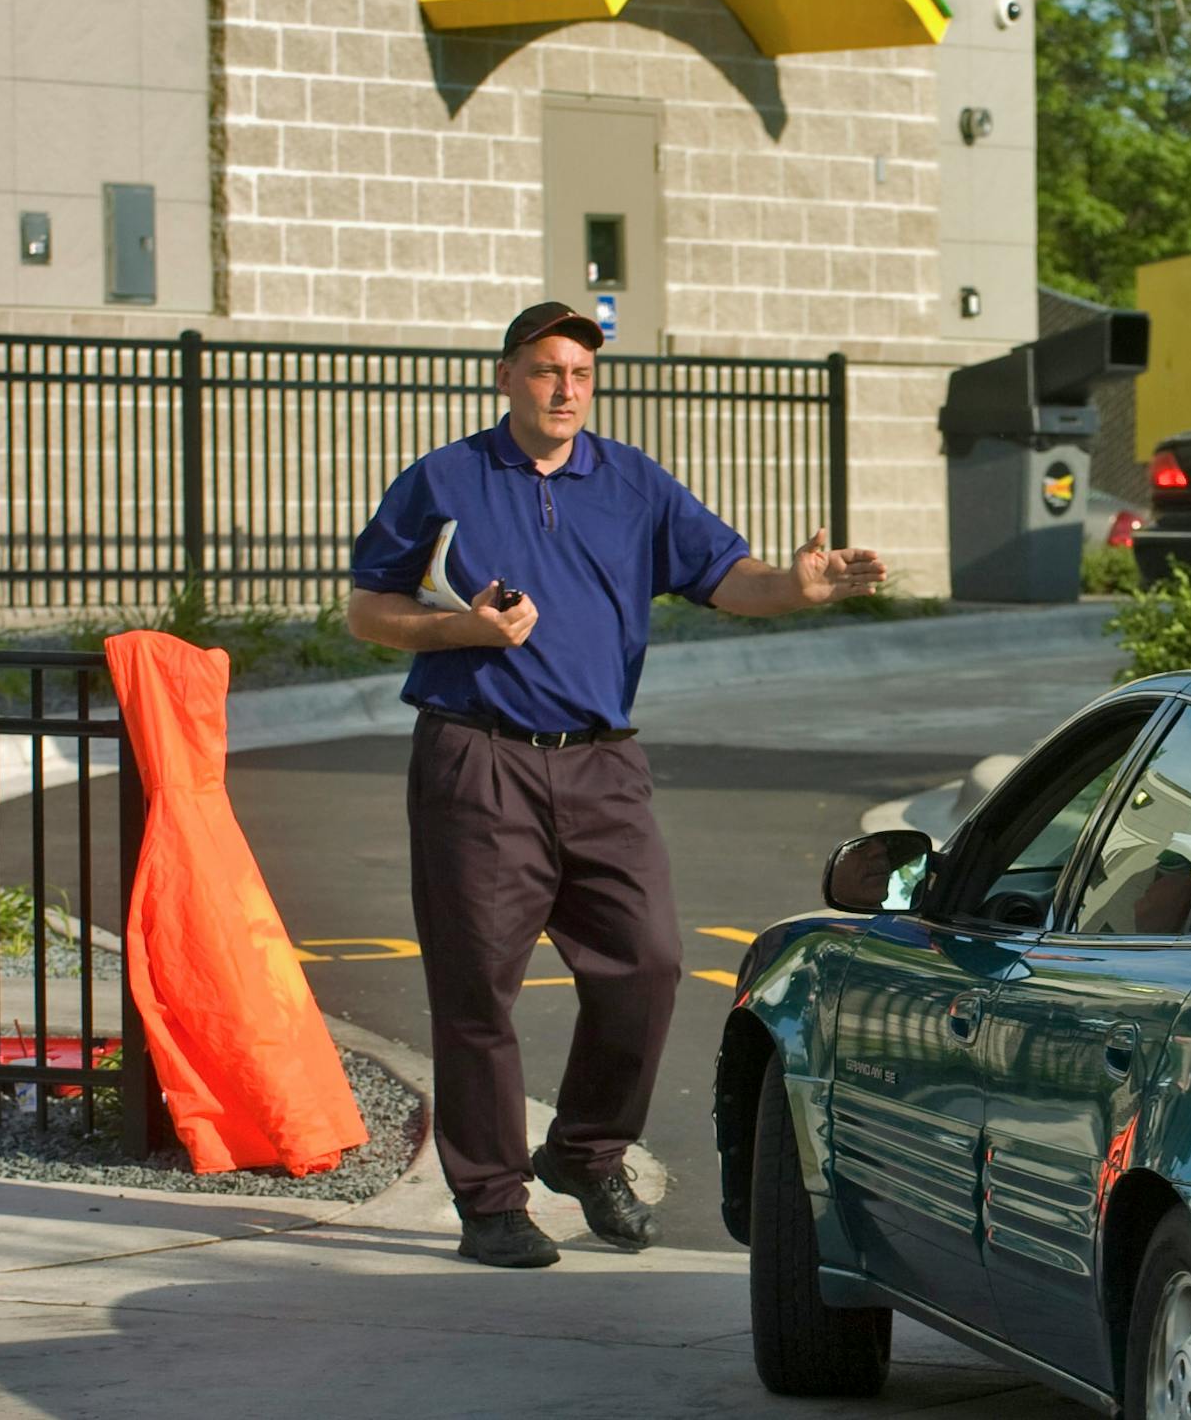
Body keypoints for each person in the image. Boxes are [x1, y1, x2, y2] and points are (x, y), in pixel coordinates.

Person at [347, 302, 885, 1268]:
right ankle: (492, 1200)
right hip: (477, 757)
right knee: (477, 989)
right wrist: (463, 630)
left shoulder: (632, 482)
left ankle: (586, 1153)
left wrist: (798, 588)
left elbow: (732, 577)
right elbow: (370, 610)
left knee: (646, 962)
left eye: (581, 375)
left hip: (601, 761)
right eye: (547, 370)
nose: (566, 389)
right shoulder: (447, 479)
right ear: (506, 376)